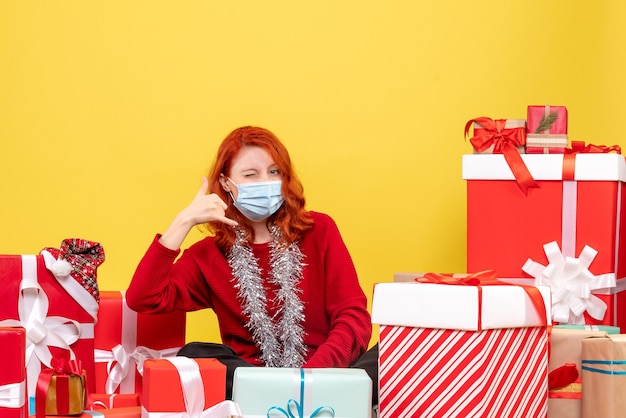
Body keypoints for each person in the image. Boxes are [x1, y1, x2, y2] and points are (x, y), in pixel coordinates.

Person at [125, 126, 378, 402]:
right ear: (225, 183)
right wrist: (184, 221)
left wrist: (309, 380)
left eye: (274, 172)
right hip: (253, 383)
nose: (265, 182)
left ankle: (286, 399)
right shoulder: (209, 255)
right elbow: (143, 298)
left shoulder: (320, 230)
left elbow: (354, 319)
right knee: (194, 354)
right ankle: (277, 399)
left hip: (328, 377)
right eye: (250, 175)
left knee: (391, 354)